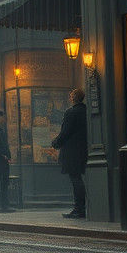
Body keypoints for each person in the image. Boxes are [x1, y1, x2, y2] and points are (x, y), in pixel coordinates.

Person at [52, 88, 88, 219]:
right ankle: (81, 208)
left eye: (71, 96)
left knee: (75, 179)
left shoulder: (71, 113)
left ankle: (79, 209)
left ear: (73, 98)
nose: (70, 98)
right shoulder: (86, 111)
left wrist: (55, 143)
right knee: (78, 178)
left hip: (72, 152)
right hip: (83, 150)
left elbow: (65, 132)